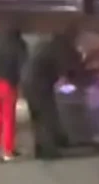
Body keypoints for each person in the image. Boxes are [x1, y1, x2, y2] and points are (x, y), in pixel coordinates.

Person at [24, 25, 81, 159]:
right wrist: (75, 73)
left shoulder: (47, 45)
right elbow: (67, 67)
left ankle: (39, 149)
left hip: (28, 83)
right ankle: (50, 151)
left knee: (37, 118)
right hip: (39, 85)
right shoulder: (60, 48)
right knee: (47, 116)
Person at [0, 23, 28, 161]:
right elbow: (23, 66)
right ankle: (8, 151)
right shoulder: (20, 46)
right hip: (8, 84)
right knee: (8, 118)